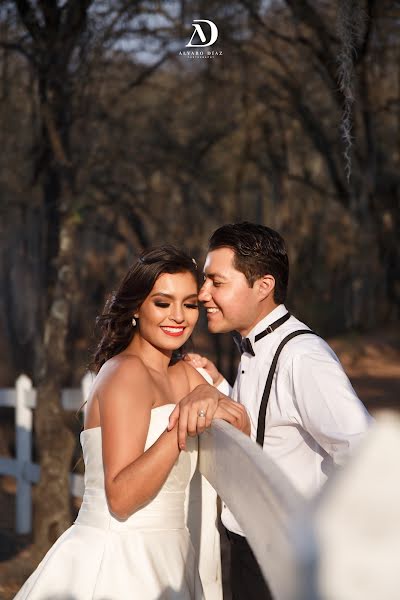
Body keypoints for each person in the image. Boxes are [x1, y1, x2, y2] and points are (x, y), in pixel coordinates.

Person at [14, 245, 249, 600]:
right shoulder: (125, 374)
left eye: (189, 304)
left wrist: (212, 394)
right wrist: (183, 421)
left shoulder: (185, 374)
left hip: (171, 555)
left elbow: (240, 427)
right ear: (137, 307)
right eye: (162, 302)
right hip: (121, 559)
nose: (178, 316)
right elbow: (121, 497)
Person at [169, 222, 372, 600]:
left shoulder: (303, 357)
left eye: (217, 282)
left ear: (263, 286)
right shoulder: (253, 347)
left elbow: (365, 453)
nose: (203, 293)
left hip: (286, 561)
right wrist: (222, 390)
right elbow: (271, 425)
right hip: (249, 550)